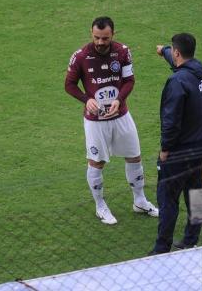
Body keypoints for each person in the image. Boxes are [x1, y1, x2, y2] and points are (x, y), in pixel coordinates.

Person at [65, 16, 158, 225]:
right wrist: (86, 99)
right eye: (96, 37)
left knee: (134, 156)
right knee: (97, 162)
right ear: (91, 33)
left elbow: (129, 80)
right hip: (95, 121)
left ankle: (140, 201)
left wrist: (119, 99)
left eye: (104, 38)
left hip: (121, 116)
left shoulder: (123, 52)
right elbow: (69, 85)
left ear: (113, 35)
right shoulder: (80, 56)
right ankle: (100, 206)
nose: (100, 42)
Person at [149, 33, 202, 254]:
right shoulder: (199, 69)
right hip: (200, 146)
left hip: (179, 151)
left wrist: (165, 149)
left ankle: (161, 248)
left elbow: (171, 121)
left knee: (167, 198)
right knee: (194, 192)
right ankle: (191, 239)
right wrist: (163, 50)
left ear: (177, 52)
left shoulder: (176, 82)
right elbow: (176, 58)